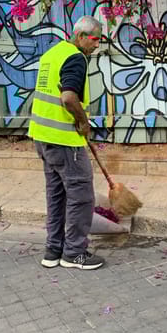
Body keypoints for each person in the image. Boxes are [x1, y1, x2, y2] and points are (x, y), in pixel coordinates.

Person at [28, 15, 104, 271]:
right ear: (81, 36)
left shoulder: (53, 53)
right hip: (63, 140)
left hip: (43, 137)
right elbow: (69, 98)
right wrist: (83, 122)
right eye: (95, 40)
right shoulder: (75, 57)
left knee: (57, 195)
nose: (96, 46)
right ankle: (75, 253)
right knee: (81, 195)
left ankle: (53, 250)